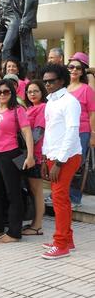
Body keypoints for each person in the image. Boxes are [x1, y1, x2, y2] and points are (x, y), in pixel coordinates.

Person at [0, 79, 35, 243]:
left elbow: (27, 133)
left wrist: (30, 156)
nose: (3, 94)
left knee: (13, 194)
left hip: (11, 155)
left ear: (12, 94)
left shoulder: (17, 110)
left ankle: (14, 232)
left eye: (6, 92)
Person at [40, 63, 82, 259]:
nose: (47, 84)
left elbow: (73, 132)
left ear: (62, 81)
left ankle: (61, 244)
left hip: (67, 157)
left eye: (51, 81)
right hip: (53, 156)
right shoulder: (51, 102)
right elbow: (50, 133)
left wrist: (59, 162)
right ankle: (68, 239)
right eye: (45, 81)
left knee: (59, 199)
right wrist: (44, 158)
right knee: (61, 199)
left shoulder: (70, 102)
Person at [66, 52, 95, 207]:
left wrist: (93, 135)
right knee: (64, 163)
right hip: (65, 133)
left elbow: (92, 113)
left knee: (78, 164)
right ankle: (64, 193)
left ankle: (75, 197)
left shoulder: (86, 89)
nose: (74, 70)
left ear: (83, 71)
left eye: (78, 67)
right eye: (71, 66)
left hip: (82, 131)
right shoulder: (64, 88)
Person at [22, 80, 47, 236]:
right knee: (31, 188)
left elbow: (38, 133)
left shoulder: (43, 108)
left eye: (35, 91)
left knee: (37, 190)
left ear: (42, 92)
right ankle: (33, 222)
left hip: (35, 155)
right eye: (29, 91)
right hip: (26, 154)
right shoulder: (29, 108)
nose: (32, 94)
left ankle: (37, 225)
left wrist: (23, 145)